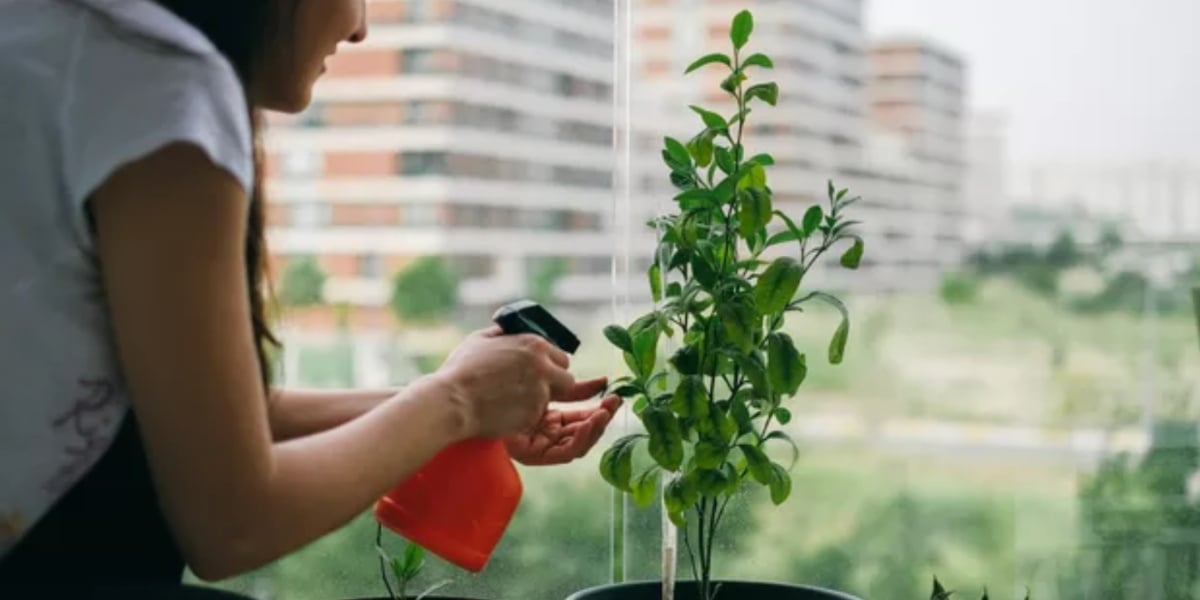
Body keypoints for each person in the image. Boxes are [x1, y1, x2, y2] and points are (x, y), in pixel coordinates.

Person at [0, 0, 622, 596]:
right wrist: (454, 402)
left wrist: (466, 405)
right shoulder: (159, 83)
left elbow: (205, 418)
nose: (359, 29)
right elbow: (231, 521)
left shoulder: (57, 41)